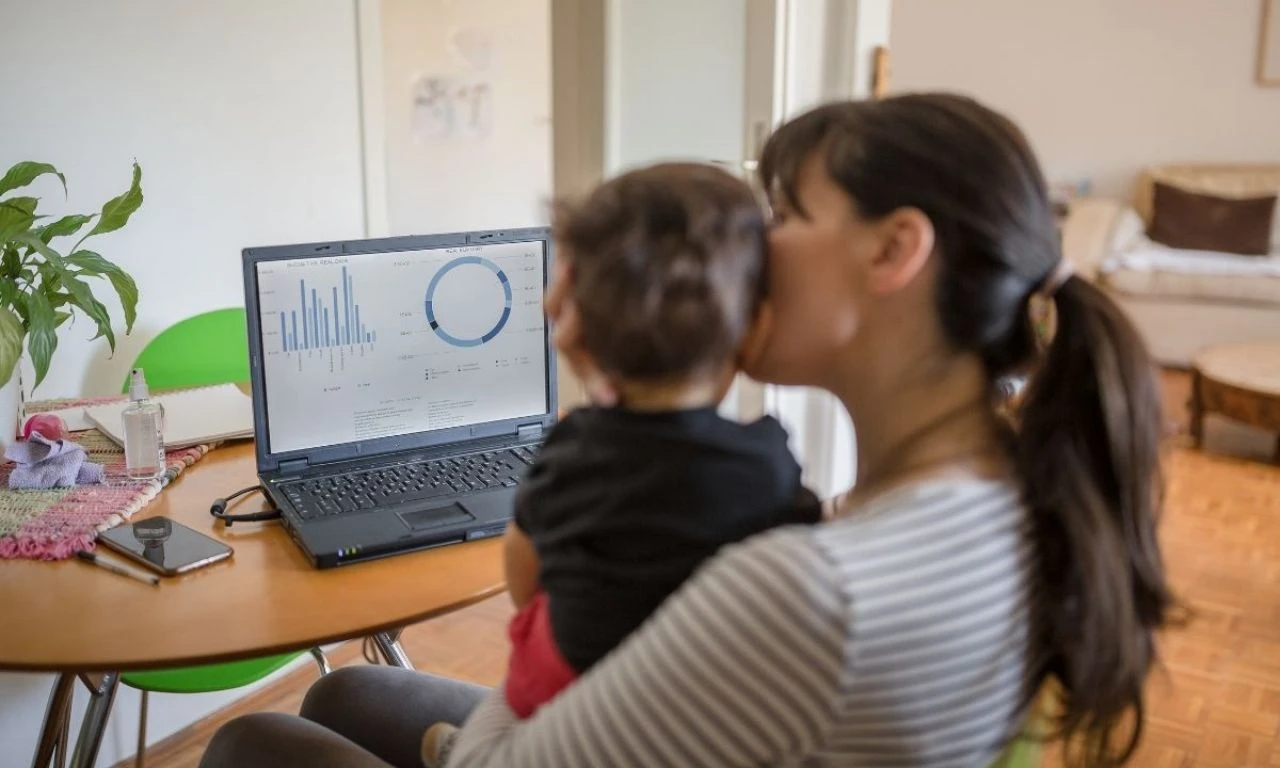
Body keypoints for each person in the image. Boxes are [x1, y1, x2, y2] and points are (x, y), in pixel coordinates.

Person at [200, 93, 1174, 768]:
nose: (747, 244)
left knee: (252, 743)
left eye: (782, 213)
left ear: (892, 250)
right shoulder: (1003, 488)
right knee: (343, 696)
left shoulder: (811, 589)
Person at [422, 162, 821, 764]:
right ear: (753, 328)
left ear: (582, 331)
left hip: (553, 692)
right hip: (688, 712)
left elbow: (523, 572)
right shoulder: (766, 461)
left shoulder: (572, 448)